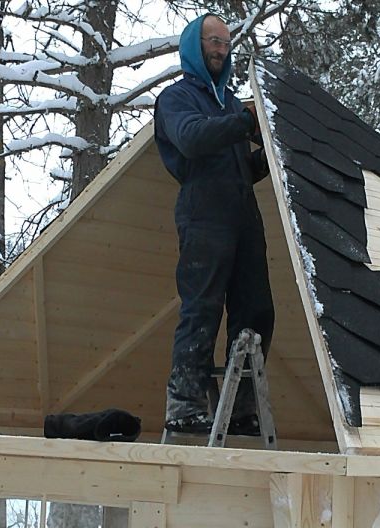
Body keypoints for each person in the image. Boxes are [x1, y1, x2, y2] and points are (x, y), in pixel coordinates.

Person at [154, 13, 274, 435]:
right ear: (195, 46)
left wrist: (272, 156)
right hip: (203, 211)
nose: (221, 49)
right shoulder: (177, 98)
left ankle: (241, 408)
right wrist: (245, 122)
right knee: (202, 306)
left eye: (226, 43)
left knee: (256, 310)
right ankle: (185, 403)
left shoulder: (230, 104)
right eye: (213, 41)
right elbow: (191, 138)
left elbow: (242, 168)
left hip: (242, 212)